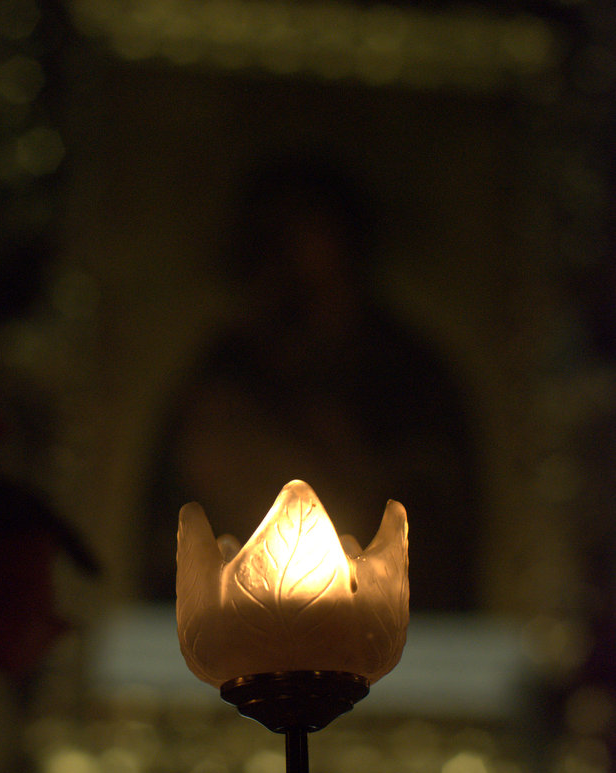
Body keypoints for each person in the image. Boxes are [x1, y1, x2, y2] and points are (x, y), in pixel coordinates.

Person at [144, 154, 480, 612]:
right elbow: (175, 530)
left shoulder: (411, 376)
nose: (289, 261)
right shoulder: (224, 373)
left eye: (305, 237)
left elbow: (436, 520)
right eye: (273, 241)